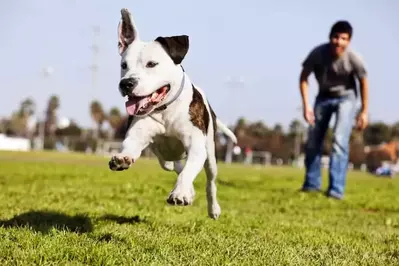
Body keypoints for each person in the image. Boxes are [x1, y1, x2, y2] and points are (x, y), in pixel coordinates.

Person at [299, 20, 369, 199]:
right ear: (330, 37)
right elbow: (304, 78)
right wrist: (306, 106)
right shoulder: (318, 53)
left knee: (339, 140)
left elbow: (363, 83)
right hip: (323, 97)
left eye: (344, 38)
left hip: (346, 98)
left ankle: (336, 189)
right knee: (314, 139)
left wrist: (363, 111)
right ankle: (311, 184)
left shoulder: (354, 58)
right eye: (336, 37)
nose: (339, 42)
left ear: (349, 41)